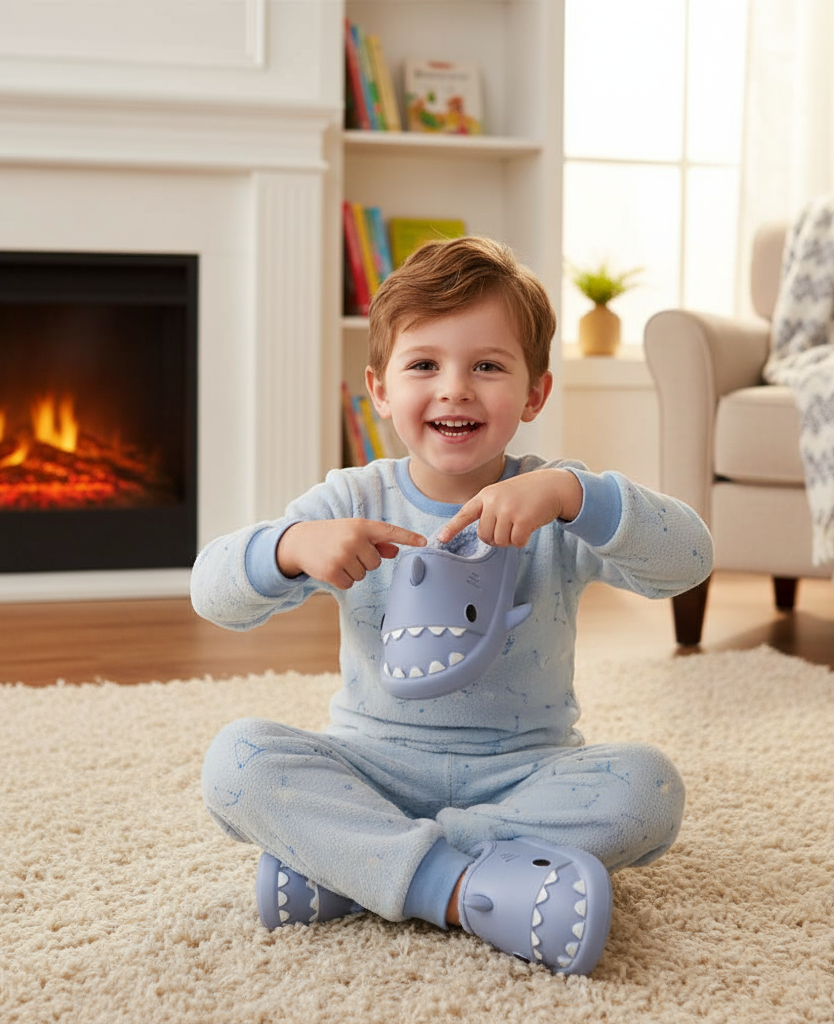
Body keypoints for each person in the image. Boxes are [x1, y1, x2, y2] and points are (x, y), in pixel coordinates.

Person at [192, 236, 713, 976]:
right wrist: (291, 546)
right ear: (379, 388)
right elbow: (211, 592)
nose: (455, 388)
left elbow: (690, 559)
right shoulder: (350, 499)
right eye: (424, 365)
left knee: (648, 789)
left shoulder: (555, 502)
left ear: (535, 393)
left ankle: (354, 863)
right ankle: (462, 884)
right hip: (372, 767)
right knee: (236, 763)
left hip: (524, 775)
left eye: (489, 366)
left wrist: (577, 497)